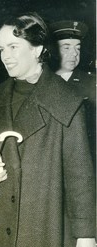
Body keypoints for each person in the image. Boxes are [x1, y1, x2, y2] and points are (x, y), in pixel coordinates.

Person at [0, 13, 96, 247]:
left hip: (40, 230)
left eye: (14, 47)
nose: (5, 56)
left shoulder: (65, 102)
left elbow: (80, 175)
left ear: (37, 49)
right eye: (1, 48)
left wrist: (86, 234)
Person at [50, 20, 96, 165]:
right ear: (54, 51)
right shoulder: (41, 81)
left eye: (78, 48)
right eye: (66, 47)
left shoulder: (91, 83)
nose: (74, 54)